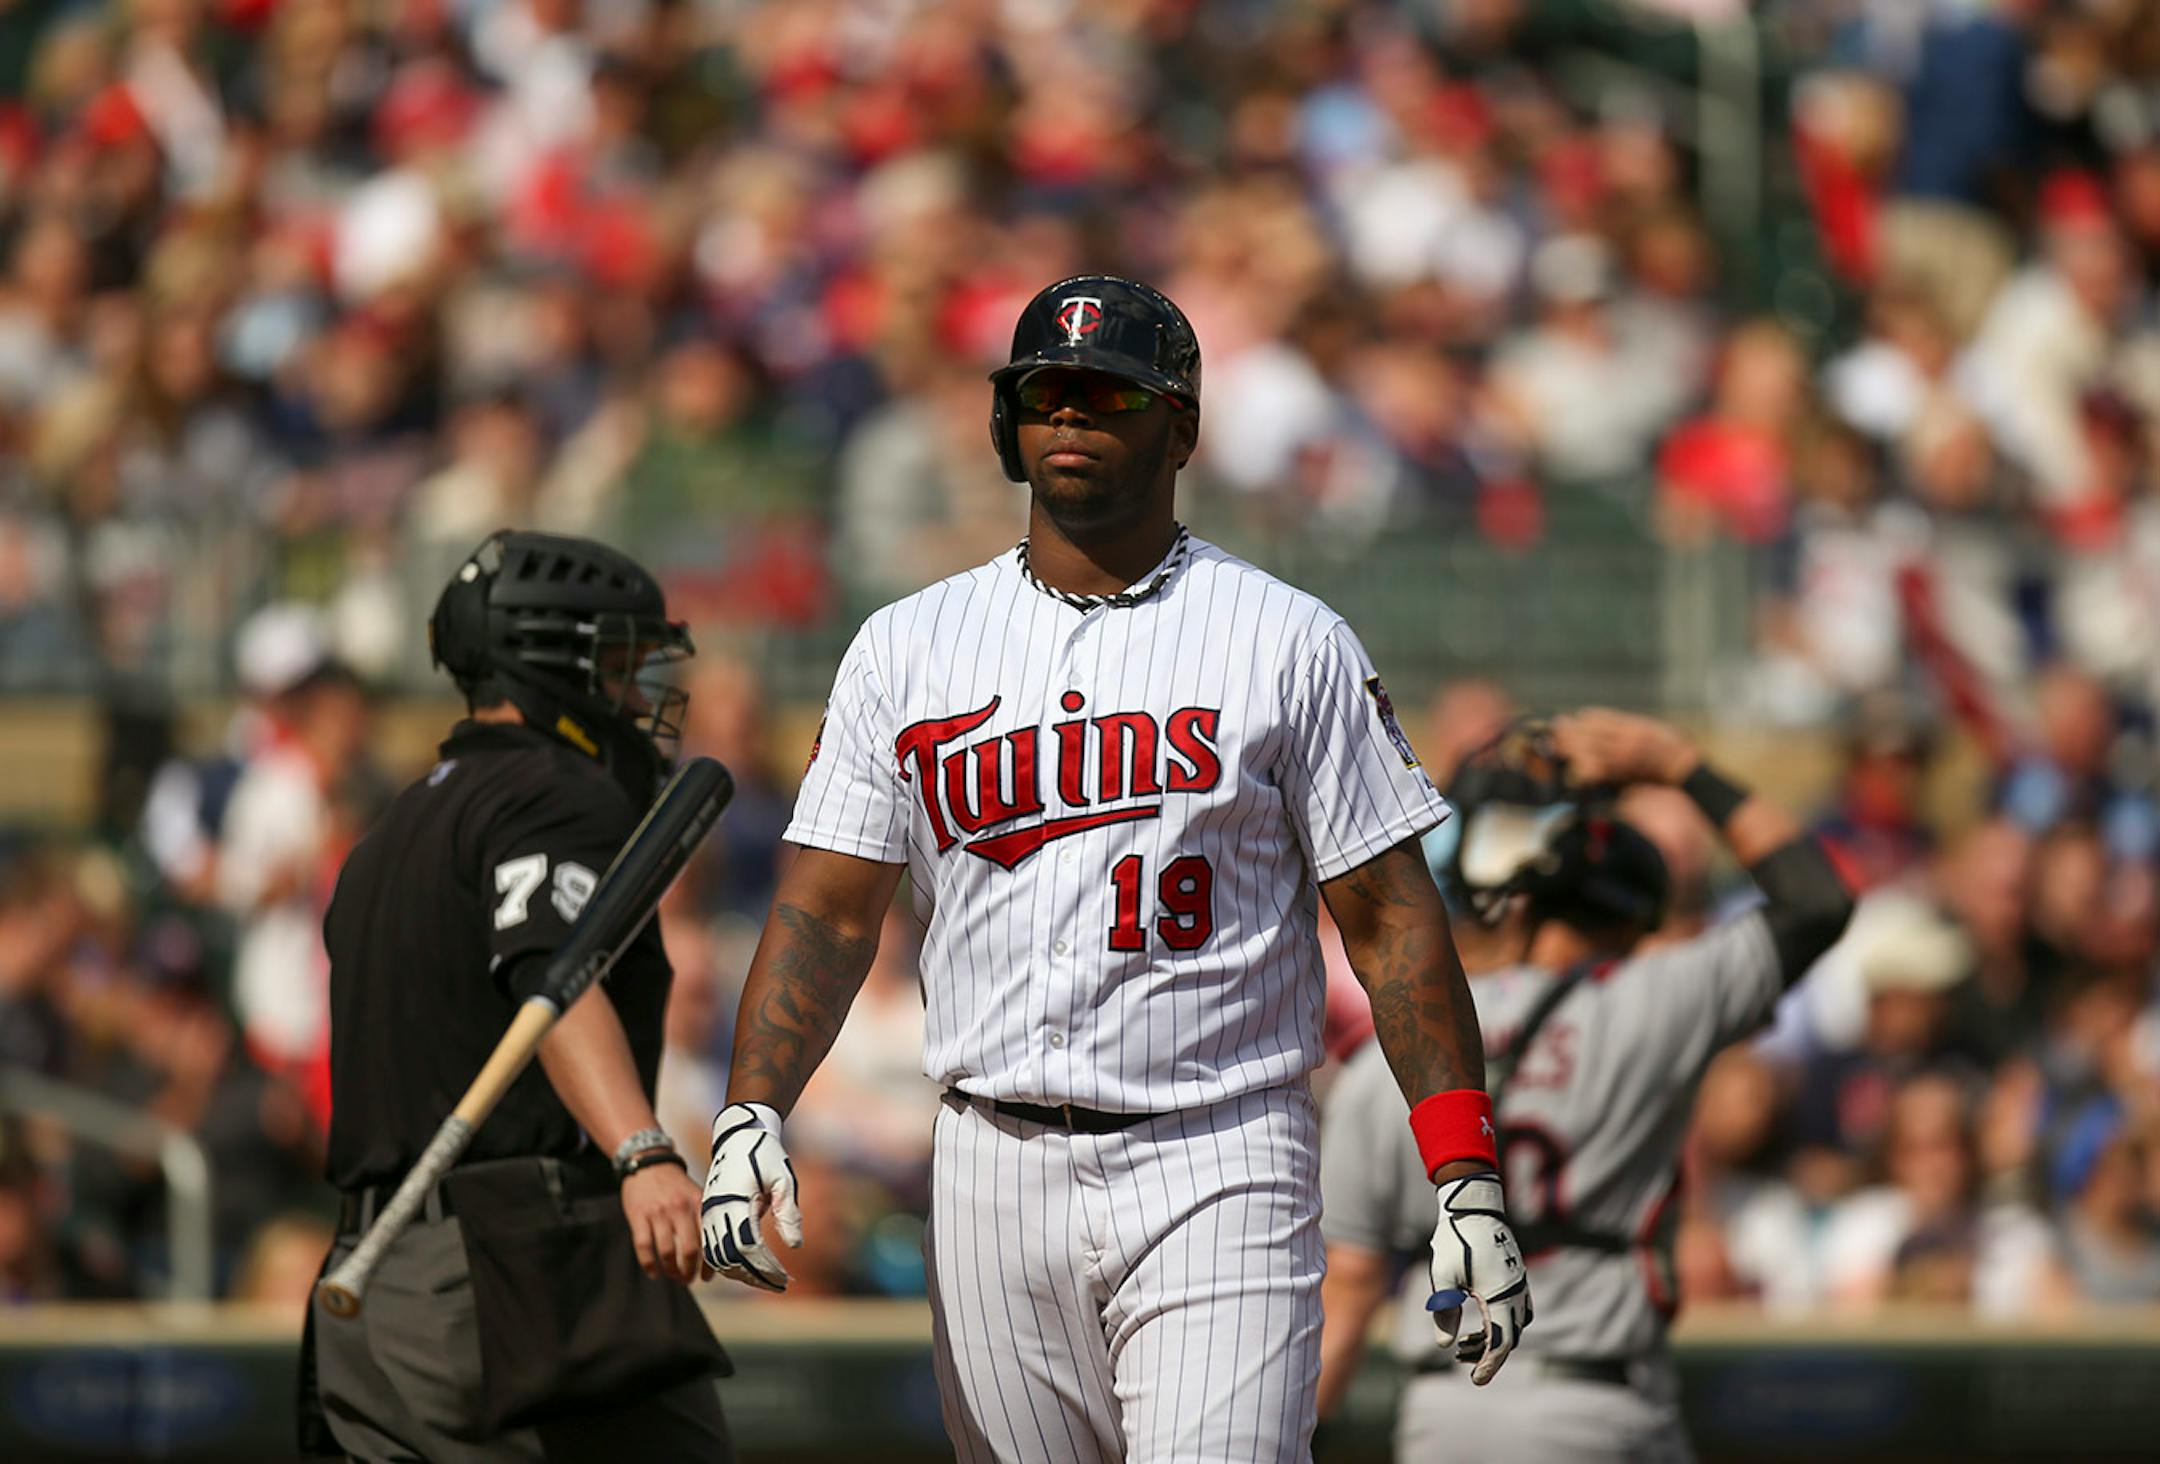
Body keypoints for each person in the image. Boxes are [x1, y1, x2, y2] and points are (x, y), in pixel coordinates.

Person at [698, 274, 1531, 1462]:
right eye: (1047, 394)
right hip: (988, 1156)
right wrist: (749, 1111)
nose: (1074, 417)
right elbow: (829, 914)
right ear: (1008, 426)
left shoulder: (1285, 638)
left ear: (1181, 427)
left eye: (1111, 396)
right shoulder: (906, 644)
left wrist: (1464, 1175)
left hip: (1218, 1149)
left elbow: (1393, 918)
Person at [1316, 711, 1854, 1462]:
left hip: (1441, 1414)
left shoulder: (1388, 1060)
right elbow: (1818, 901)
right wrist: (1677, 764)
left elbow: (1345, 1295)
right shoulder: (1653, 998)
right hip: (1593, 1406)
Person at [304, 530, 732, 1461]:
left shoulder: (396, 823)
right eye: (621, 666)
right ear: (556, 660)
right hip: (514, 1272)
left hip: (368, 1283)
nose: (640, 697)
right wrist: (643, 1150)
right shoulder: (556, 791)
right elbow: (552, 971)